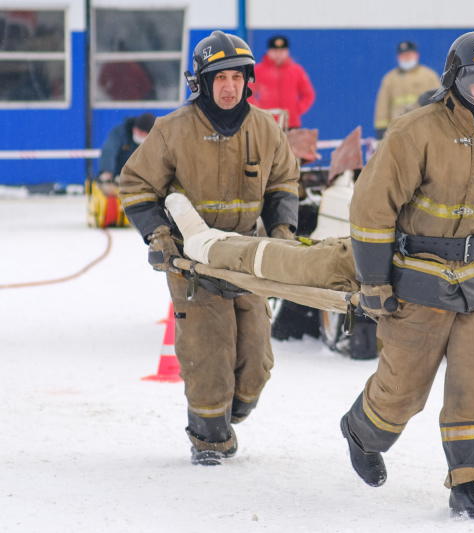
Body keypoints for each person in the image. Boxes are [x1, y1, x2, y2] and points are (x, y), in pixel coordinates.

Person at [342, 28, 474, 521]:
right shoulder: (414, 132)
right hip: (416, 281)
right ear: (456, 82)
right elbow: (371, 207)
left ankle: (470, 485)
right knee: (402, 390)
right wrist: (375, 282)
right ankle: (363, 431)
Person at [118, 31, 301, 466]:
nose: (229, 86)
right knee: (208, 356)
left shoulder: (265, 128)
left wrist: (282, 232)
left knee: (255, 362)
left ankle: (231, 414)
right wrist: (159, 237)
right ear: (199, 82)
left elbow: (283, 182)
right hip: (192, 264)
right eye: (218, 77)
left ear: (248, 80)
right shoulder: (172, 131)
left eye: (236, 76)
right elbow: (136, 185)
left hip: (246, 258)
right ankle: (210, 438)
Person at [373, 40, 440, 140]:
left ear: (416, 55)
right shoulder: (390, 79)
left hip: (424, 129)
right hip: (397, 130)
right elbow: (382, 106)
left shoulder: (429, 76)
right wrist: (381, 130)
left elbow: (440, 102)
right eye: (403, 56)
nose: (407, 58)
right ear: (398, 58)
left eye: (409, 55)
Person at [248, 35, 315, 129]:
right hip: (266, 123)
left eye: (282, 51)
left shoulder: (297, 70)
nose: (278, 54)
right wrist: (259, 110)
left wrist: (297, 110)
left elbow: (308, 94)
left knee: (291, 144)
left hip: (292, 124)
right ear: (269, 51)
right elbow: (248, 93)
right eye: (275, 51)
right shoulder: (257, 71)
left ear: (287, 52)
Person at [96, 113, 155, 194]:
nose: (140, 135)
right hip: (117, 179)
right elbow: (108, 151)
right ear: (134, 128)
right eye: (139, 132)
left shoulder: (155, 142)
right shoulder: (119, 133)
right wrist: (106, 173)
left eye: (144, 134)